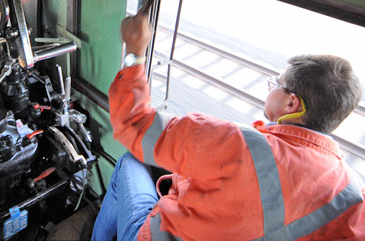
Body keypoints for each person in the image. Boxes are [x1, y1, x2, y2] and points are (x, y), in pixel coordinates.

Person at [91, 13, 365, 241]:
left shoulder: (234, 142)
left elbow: (134, 124)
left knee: (130, 162)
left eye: (277, 84)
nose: (271, 87)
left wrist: (135, 53)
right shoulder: (353, 192)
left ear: (292, 104)